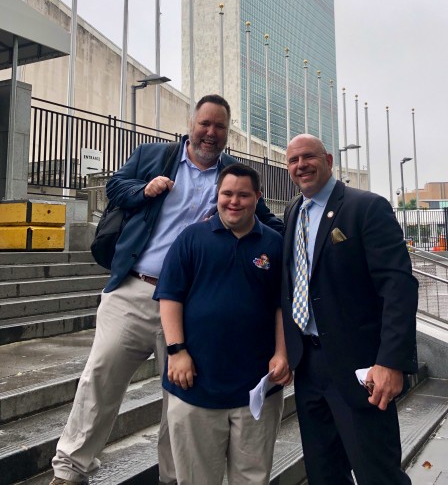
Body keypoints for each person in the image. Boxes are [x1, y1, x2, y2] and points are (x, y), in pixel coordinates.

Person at [49, 95, 283, 485]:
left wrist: (304, 242)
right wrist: (145, 190)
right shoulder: (155, 156)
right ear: (191, 123)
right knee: (101, 375)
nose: (211, 133)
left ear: (227, 133)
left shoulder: (231, 178)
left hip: (188, 306)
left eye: (220, 126)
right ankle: (70, 468)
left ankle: (174, 477)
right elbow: (115, 187)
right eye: (205, 123)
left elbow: (265, 222)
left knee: (181, 393)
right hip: (135, 289)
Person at [281, 134, 418, 485]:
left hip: (360, 366)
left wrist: (391, 361)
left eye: (308, 157)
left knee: (378, 473)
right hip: (308, 366)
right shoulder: (294, 212)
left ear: (328, 159)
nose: (301, 165)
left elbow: (398, 287)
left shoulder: (366, 207)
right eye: (293, 160)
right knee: (323, 472)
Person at [154, 163, 292, 485]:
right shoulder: (190, 239)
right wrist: (176, 351)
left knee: (252, 478)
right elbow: (170, 297)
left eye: (243, 195)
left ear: (258, 197)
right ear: (217, 195)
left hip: (256, 390)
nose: (234, 201)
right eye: (227, 193)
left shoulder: (274, 245)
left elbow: (281, 307)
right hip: (195, 386)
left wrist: (283, 353)